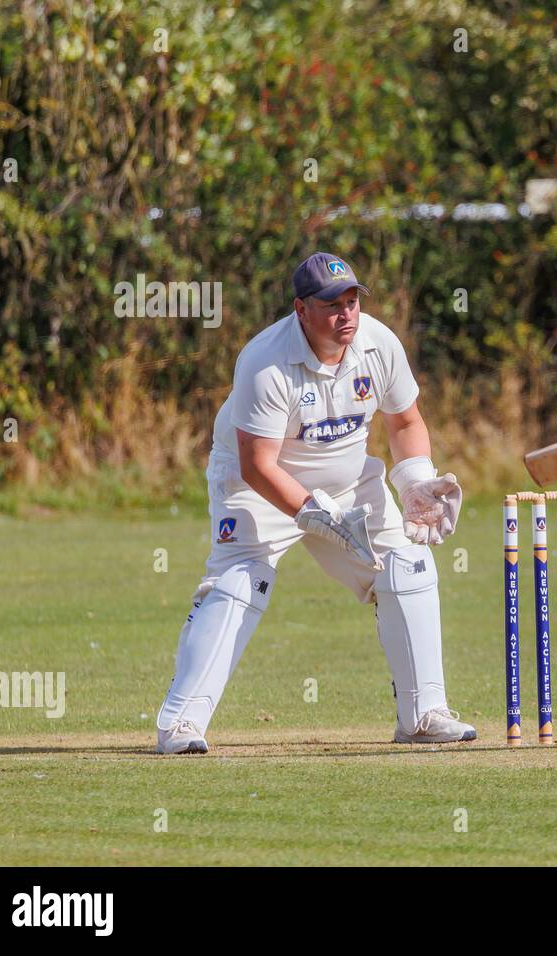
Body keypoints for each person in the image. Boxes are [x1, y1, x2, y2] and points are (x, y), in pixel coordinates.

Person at [154, 252, 475, 753]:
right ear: (301, 309)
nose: (346, 314)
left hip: (350, 484)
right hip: (256, 485)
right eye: (331, 306)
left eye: (351, 302)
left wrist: (414, 482)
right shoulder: (265, 361)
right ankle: (180, 724)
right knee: (241, 581)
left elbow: (405, 422)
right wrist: (313, 512)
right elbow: (257, 462)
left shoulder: (377, 343)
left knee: (409, 564)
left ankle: (422, 715)